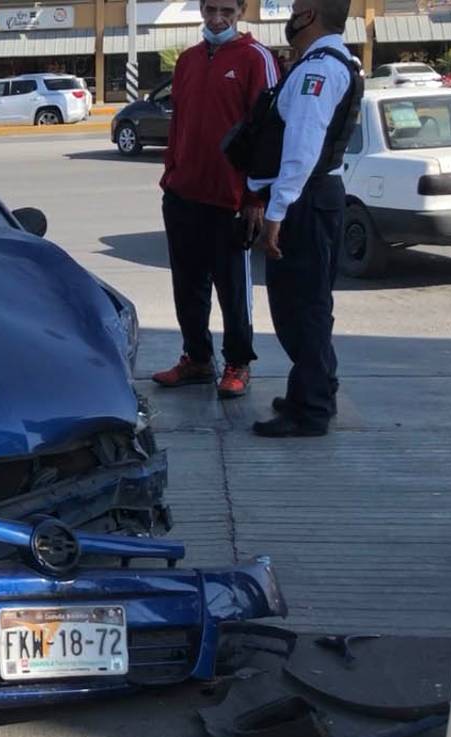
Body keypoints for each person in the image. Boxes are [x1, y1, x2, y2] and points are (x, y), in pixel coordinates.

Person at [152, 0, 279, 399]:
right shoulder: (188, 61)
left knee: (233, 289)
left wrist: (256, 197)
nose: (217, 18)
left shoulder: (257, 58)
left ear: (241, 10)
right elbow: (178, 123)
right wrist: (170, 176)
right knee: (187, 285)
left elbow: (269, 133)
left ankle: (237, 363)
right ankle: (197, 358)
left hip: (231, 200)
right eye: (210, 9)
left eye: (226, 10)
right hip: (183, 194)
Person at [249, 0, 363, 436]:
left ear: (310, 14)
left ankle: (311, 410)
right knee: (311, 302)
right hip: (317, 196)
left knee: (301, 308)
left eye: (295, 8)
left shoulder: (318, 70)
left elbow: (301, 147)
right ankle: (314, 389)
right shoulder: (335, 61)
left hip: (306, 200)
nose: (290, 16)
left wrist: (277, 211)